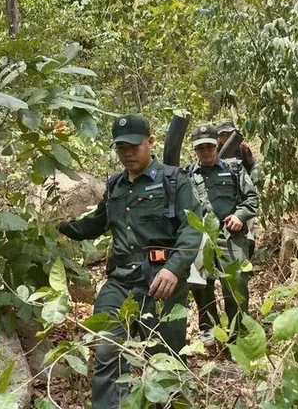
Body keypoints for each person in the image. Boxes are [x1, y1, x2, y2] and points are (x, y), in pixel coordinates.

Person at [58, 114, 202, 409]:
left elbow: (192, 228)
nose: (127, 153)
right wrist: (59, 227)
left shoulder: (175, 181)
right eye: (121, 147)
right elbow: (97, 222)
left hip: (161, 281)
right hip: (119, 281)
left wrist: (174, 270)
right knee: (108, 350)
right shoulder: (114, 185)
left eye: (134, 146)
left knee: (167, 361)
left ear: (150, 142)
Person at [187, 124, 258, 347]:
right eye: (200, 148)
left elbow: (252, 199)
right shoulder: (187, 175)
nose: (206, 151)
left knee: (236, 285)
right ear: (195, 150)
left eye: (209, 146)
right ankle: (208, 328)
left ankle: (237, 334)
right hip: (201, 239)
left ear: (216, 145)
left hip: (231, 237)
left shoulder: (235, 169)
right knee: (201, 285)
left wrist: (239, 216)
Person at [216, 120, 258, 258]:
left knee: (248, 229)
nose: (226, 137)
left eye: (229, 134)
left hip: (244, 192)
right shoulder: (214, 152)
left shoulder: (243, 149)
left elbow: (252, 168)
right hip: (225, 197)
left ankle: (247, 257)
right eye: (223, 135)